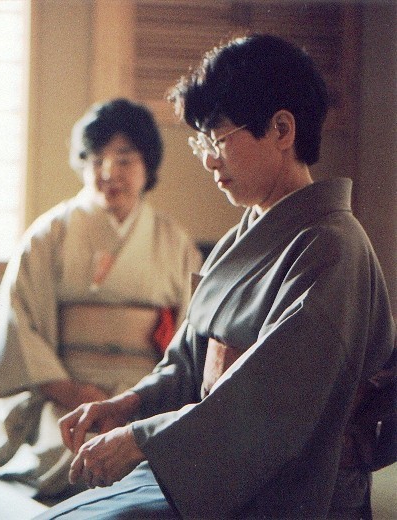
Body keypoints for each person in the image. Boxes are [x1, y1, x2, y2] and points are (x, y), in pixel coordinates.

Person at [36, 34, 395, 519]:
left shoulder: (333, 247)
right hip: (208, 467)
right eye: (202, 142)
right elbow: (187, 362)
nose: (208, 158)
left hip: (282, 488)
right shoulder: (238, 239)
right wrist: (129, 405)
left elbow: (269, 404)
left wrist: (140, 439)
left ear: (282, 129)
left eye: (219, 139)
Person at [0, 98, 202, 498]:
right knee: (71, 455)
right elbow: (17, 325)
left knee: (160, 452)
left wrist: (137, 400)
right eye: (96, 160)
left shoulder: (175, 242)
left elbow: (193, 333)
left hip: (146, 396)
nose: (109, 172)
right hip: (66, 395)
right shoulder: (49, 234)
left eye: (124, 159)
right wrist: (72, 391)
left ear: (147, 165)